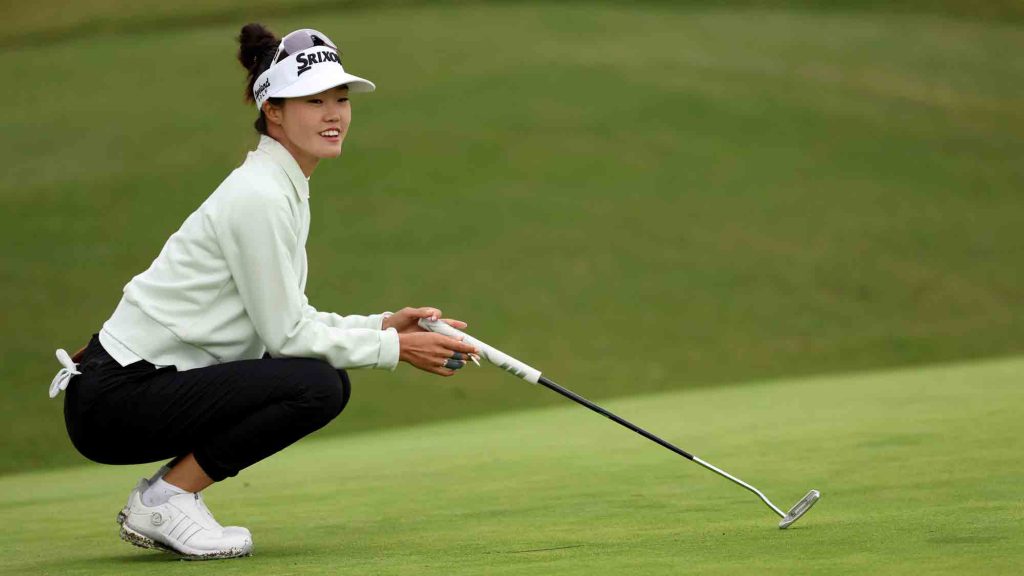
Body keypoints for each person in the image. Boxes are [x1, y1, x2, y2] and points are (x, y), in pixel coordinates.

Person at [48, 23, 479, 560]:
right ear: (272, 110)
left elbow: (286, 318)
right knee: (316, 385)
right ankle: (165, 500)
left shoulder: (279, 186)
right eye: (313, 101)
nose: (333, 114)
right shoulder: (260, 195)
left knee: (322, 379)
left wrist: (382, 325)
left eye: (341, 99)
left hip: (136, 389)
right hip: (117, 400)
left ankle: (168, 496)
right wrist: (396, 348)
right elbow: (287, 335)